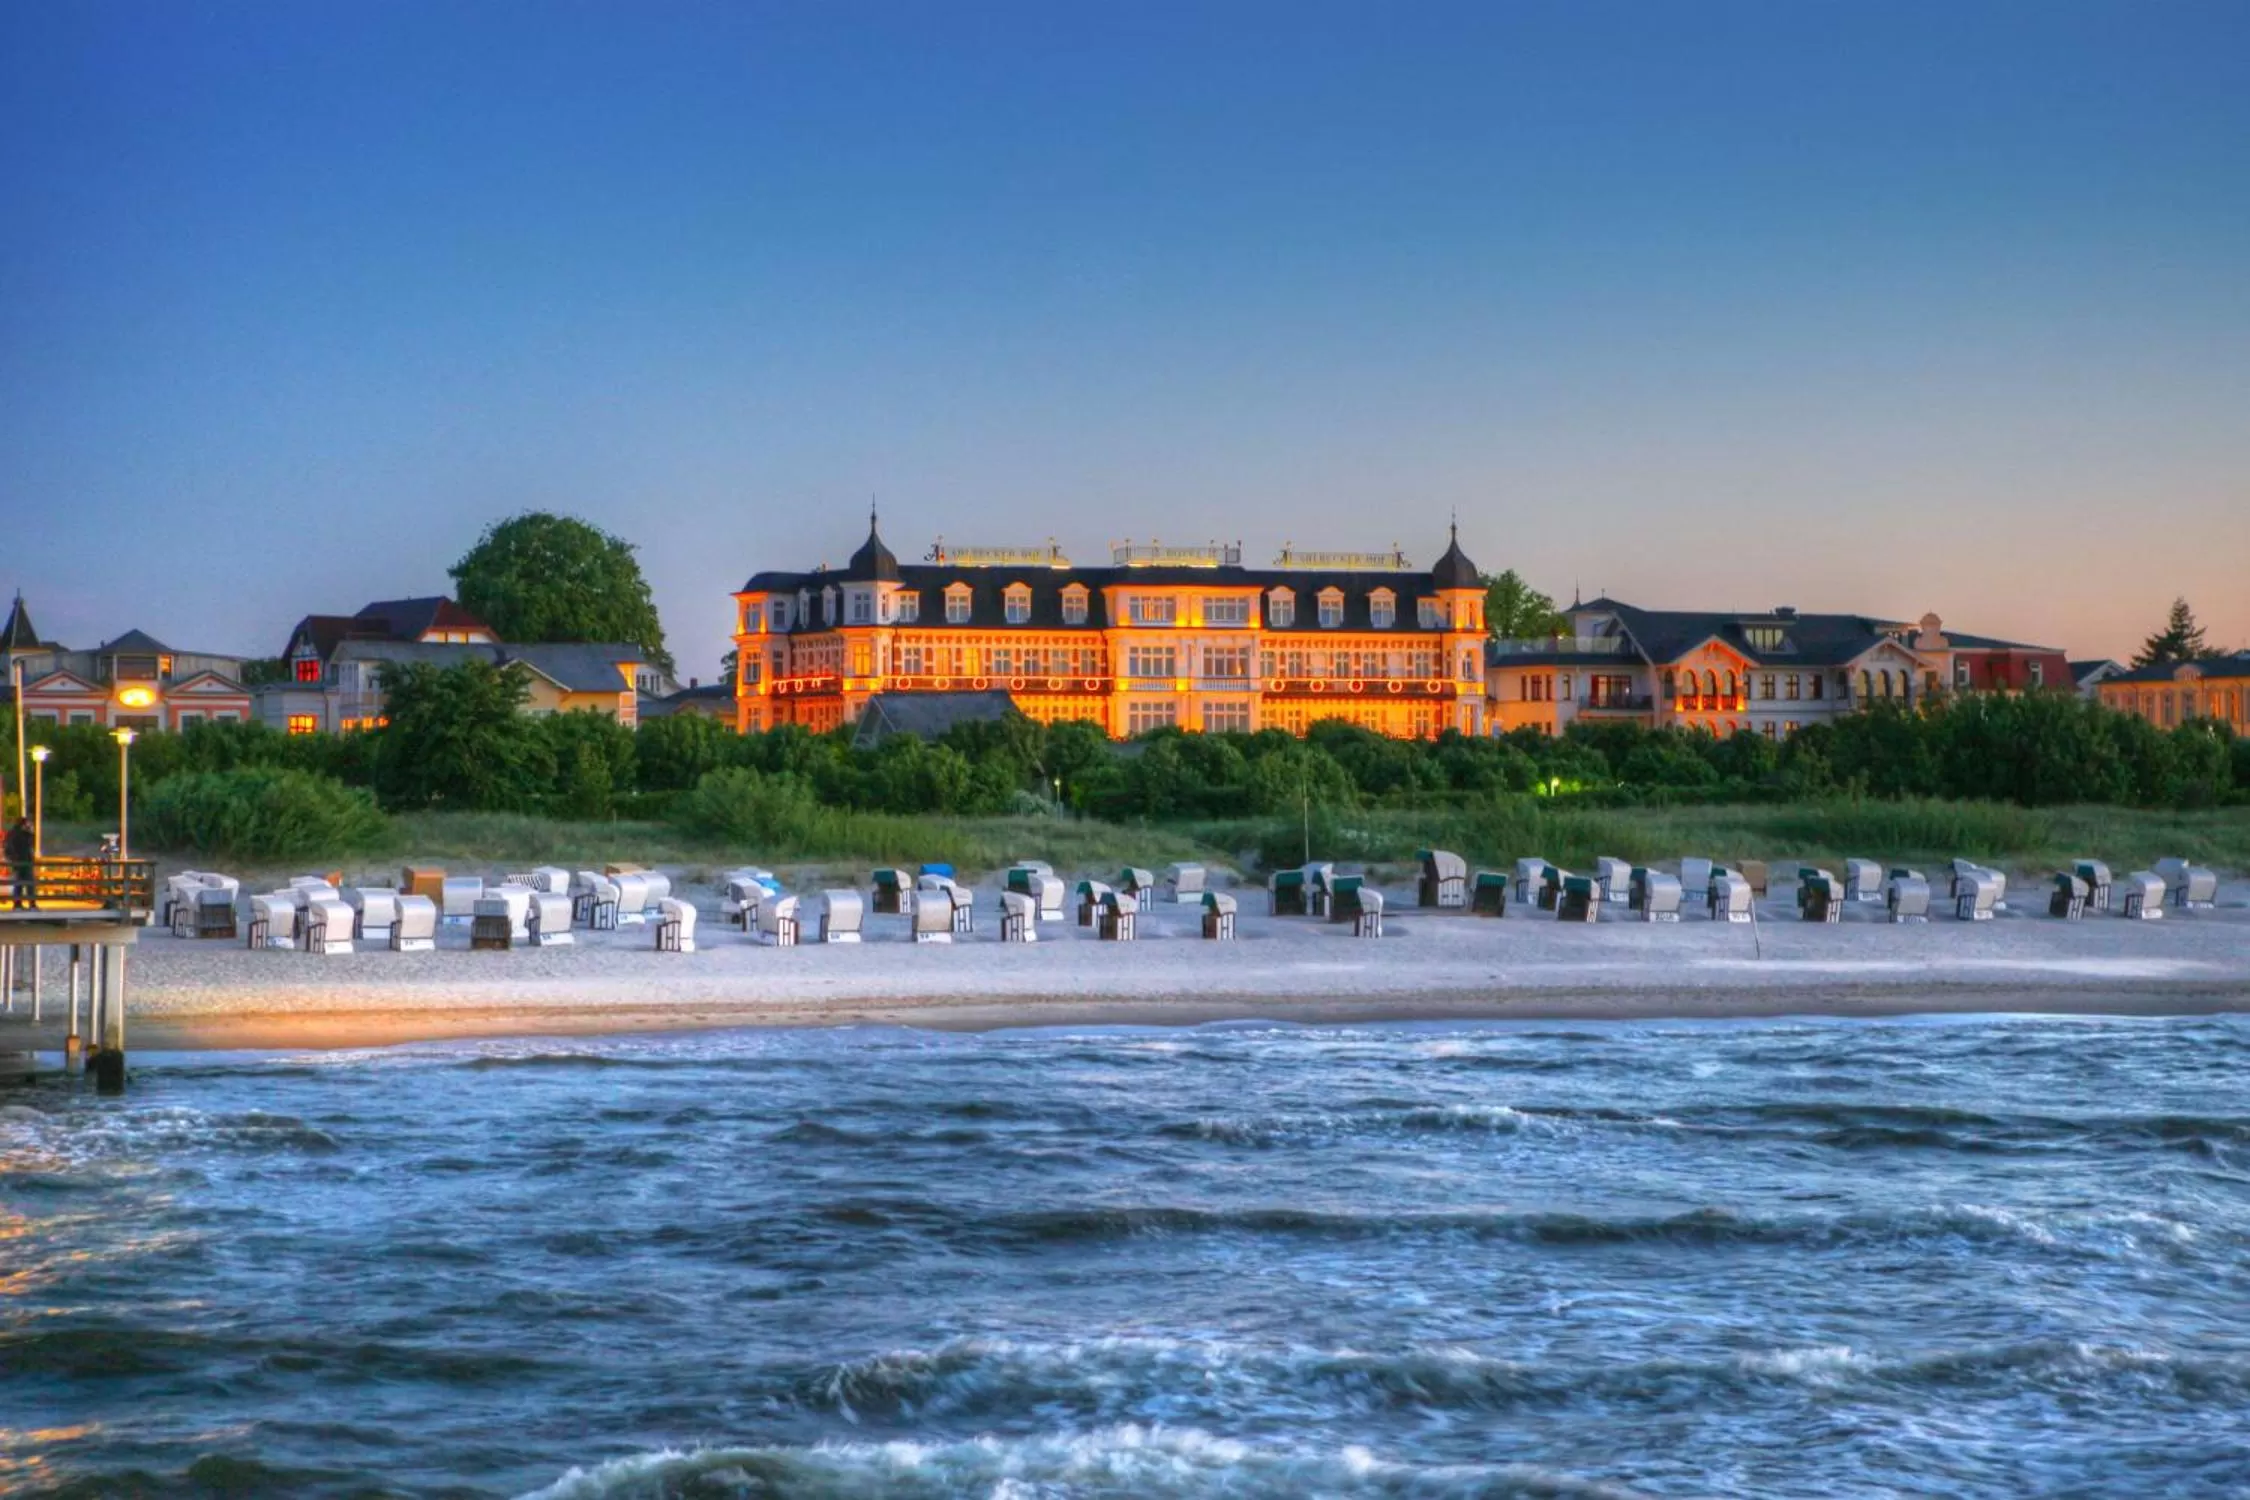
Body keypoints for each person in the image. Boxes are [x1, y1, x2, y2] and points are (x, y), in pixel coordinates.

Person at [4, 816, 32, 910]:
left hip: (19, 861)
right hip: (23, 861)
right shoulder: (21, 834)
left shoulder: (13, 833)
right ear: (23, 824)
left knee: (18, 883)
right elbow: (26, 846)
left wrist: (13, 859)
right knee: (28, 883)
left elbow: (8, 847)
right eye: (27, 823)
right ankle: (31, 904)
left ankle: (17, 904)